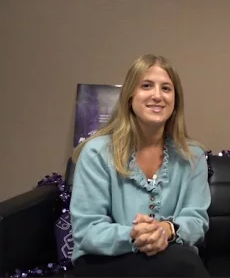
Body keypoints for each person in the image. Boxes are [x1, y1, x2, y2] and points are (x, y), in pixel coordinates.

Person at [69, 54, 211, 277]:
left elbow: (196, 220)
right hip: (105, 260)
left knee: (183, 261)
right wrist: (134, 235)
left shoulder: (193, 156)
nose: (157, 95)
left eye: (166, 88)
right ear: (129, 96)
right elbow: (87, 230)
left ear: (175, 101)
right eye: (146, 86)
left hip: (171, 257)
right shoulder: (96, 152)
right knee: (184, 264)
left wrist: (166, 230)